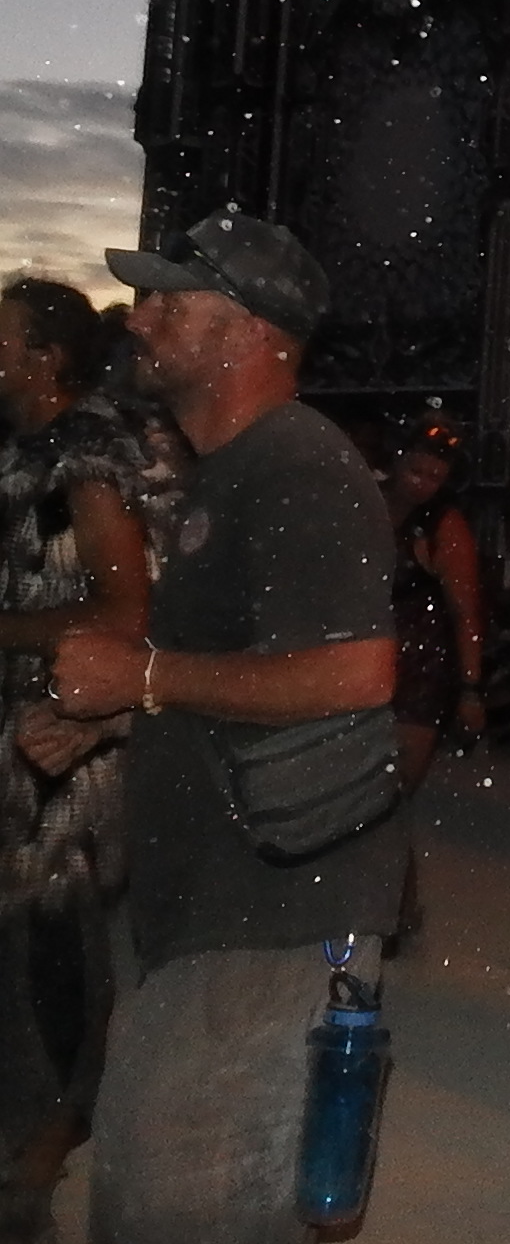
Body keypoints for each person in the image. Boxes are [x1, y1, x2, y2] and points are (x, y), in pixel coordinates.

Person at [51, 211, 402, 1244]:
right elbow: (242, 674)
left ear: (249, 331)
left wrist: (146, 674)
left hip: (273, 916)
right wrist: (123, 707)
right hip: (230, 904)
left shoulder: (298, 463)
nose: (139, 317)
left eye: (171, 302)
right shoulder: (241, 467)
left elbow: (357, 674)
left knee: (174, 1203)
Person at [0, 279, 156, 1244]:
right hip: (20, 732)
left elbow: (124, 610)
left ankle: (43, 1156)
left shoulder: (87, 453)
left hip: (68, 742)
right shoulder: (23, 448)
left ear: (45, 357)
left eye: (2, 336)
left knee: (54, 951)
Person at [385, 418, 485, 944]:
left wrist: (470, 689)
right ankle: (388, 909)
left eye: (435, 476)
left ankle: (395, 913)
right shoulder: (366, 504)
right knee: (361, 799)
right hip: (365, 667)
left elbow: (465, 612)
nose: (423, 483)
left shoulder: (444, 525)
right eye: (416, 470)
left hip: (422, 674)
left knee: (391, 799)